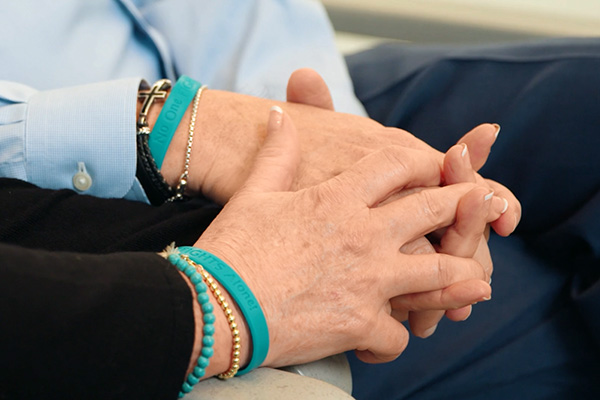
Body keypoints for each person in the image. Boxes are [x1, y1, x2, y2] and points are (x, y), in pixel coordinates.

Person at [0, 0, 597, 399]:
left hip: (247, 106)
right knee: (538, 294)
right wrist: (170, 128)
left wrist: (310, 135)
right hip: (81, 217)